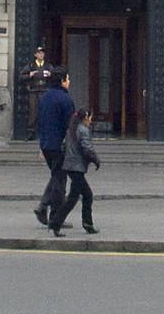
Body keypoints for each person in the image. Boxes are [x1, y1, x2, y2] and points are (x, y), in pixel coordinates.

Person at [50, 108, 102, 237]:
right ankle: (61, 222)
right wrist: (95, 159)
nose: (91, 121)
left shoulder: (71, 129)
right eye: (90, 118)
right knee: (82, 196)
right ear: (85, 118)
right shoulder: (83, 130)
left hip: (69, 166)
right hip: (77, 167)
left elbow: (63, 146)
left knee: (79, 196)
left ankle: (60, 223)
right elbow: (86, 148)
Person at [33, 71, 75, 228]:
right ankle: (54, 216)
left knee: (57, 176)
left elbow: (40, 121)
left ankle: (44, 208)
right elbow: (70, 127)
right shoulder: (65, 100)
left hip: (46, 144)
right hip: (59, 145)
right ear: (63, 81)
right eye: (68, 78)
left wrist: (40, 145)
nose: (69, 82)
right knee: (59, 180)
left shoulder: (44, 97)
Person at [18, 45, 55, 131]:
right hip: (33, 91)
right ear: (35, 55)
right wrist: (29, 75)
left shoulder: (48, 66)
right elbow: (21, 76)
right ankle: (31, 130)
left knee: (45, 110)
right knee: (33, 111)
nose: (41, 55)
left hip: (44, 91)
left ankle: (44, 129)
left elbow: (56, 76)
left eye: (42, 53)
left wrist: (50, 75)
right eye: (39, 53)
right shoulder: (30, 66)